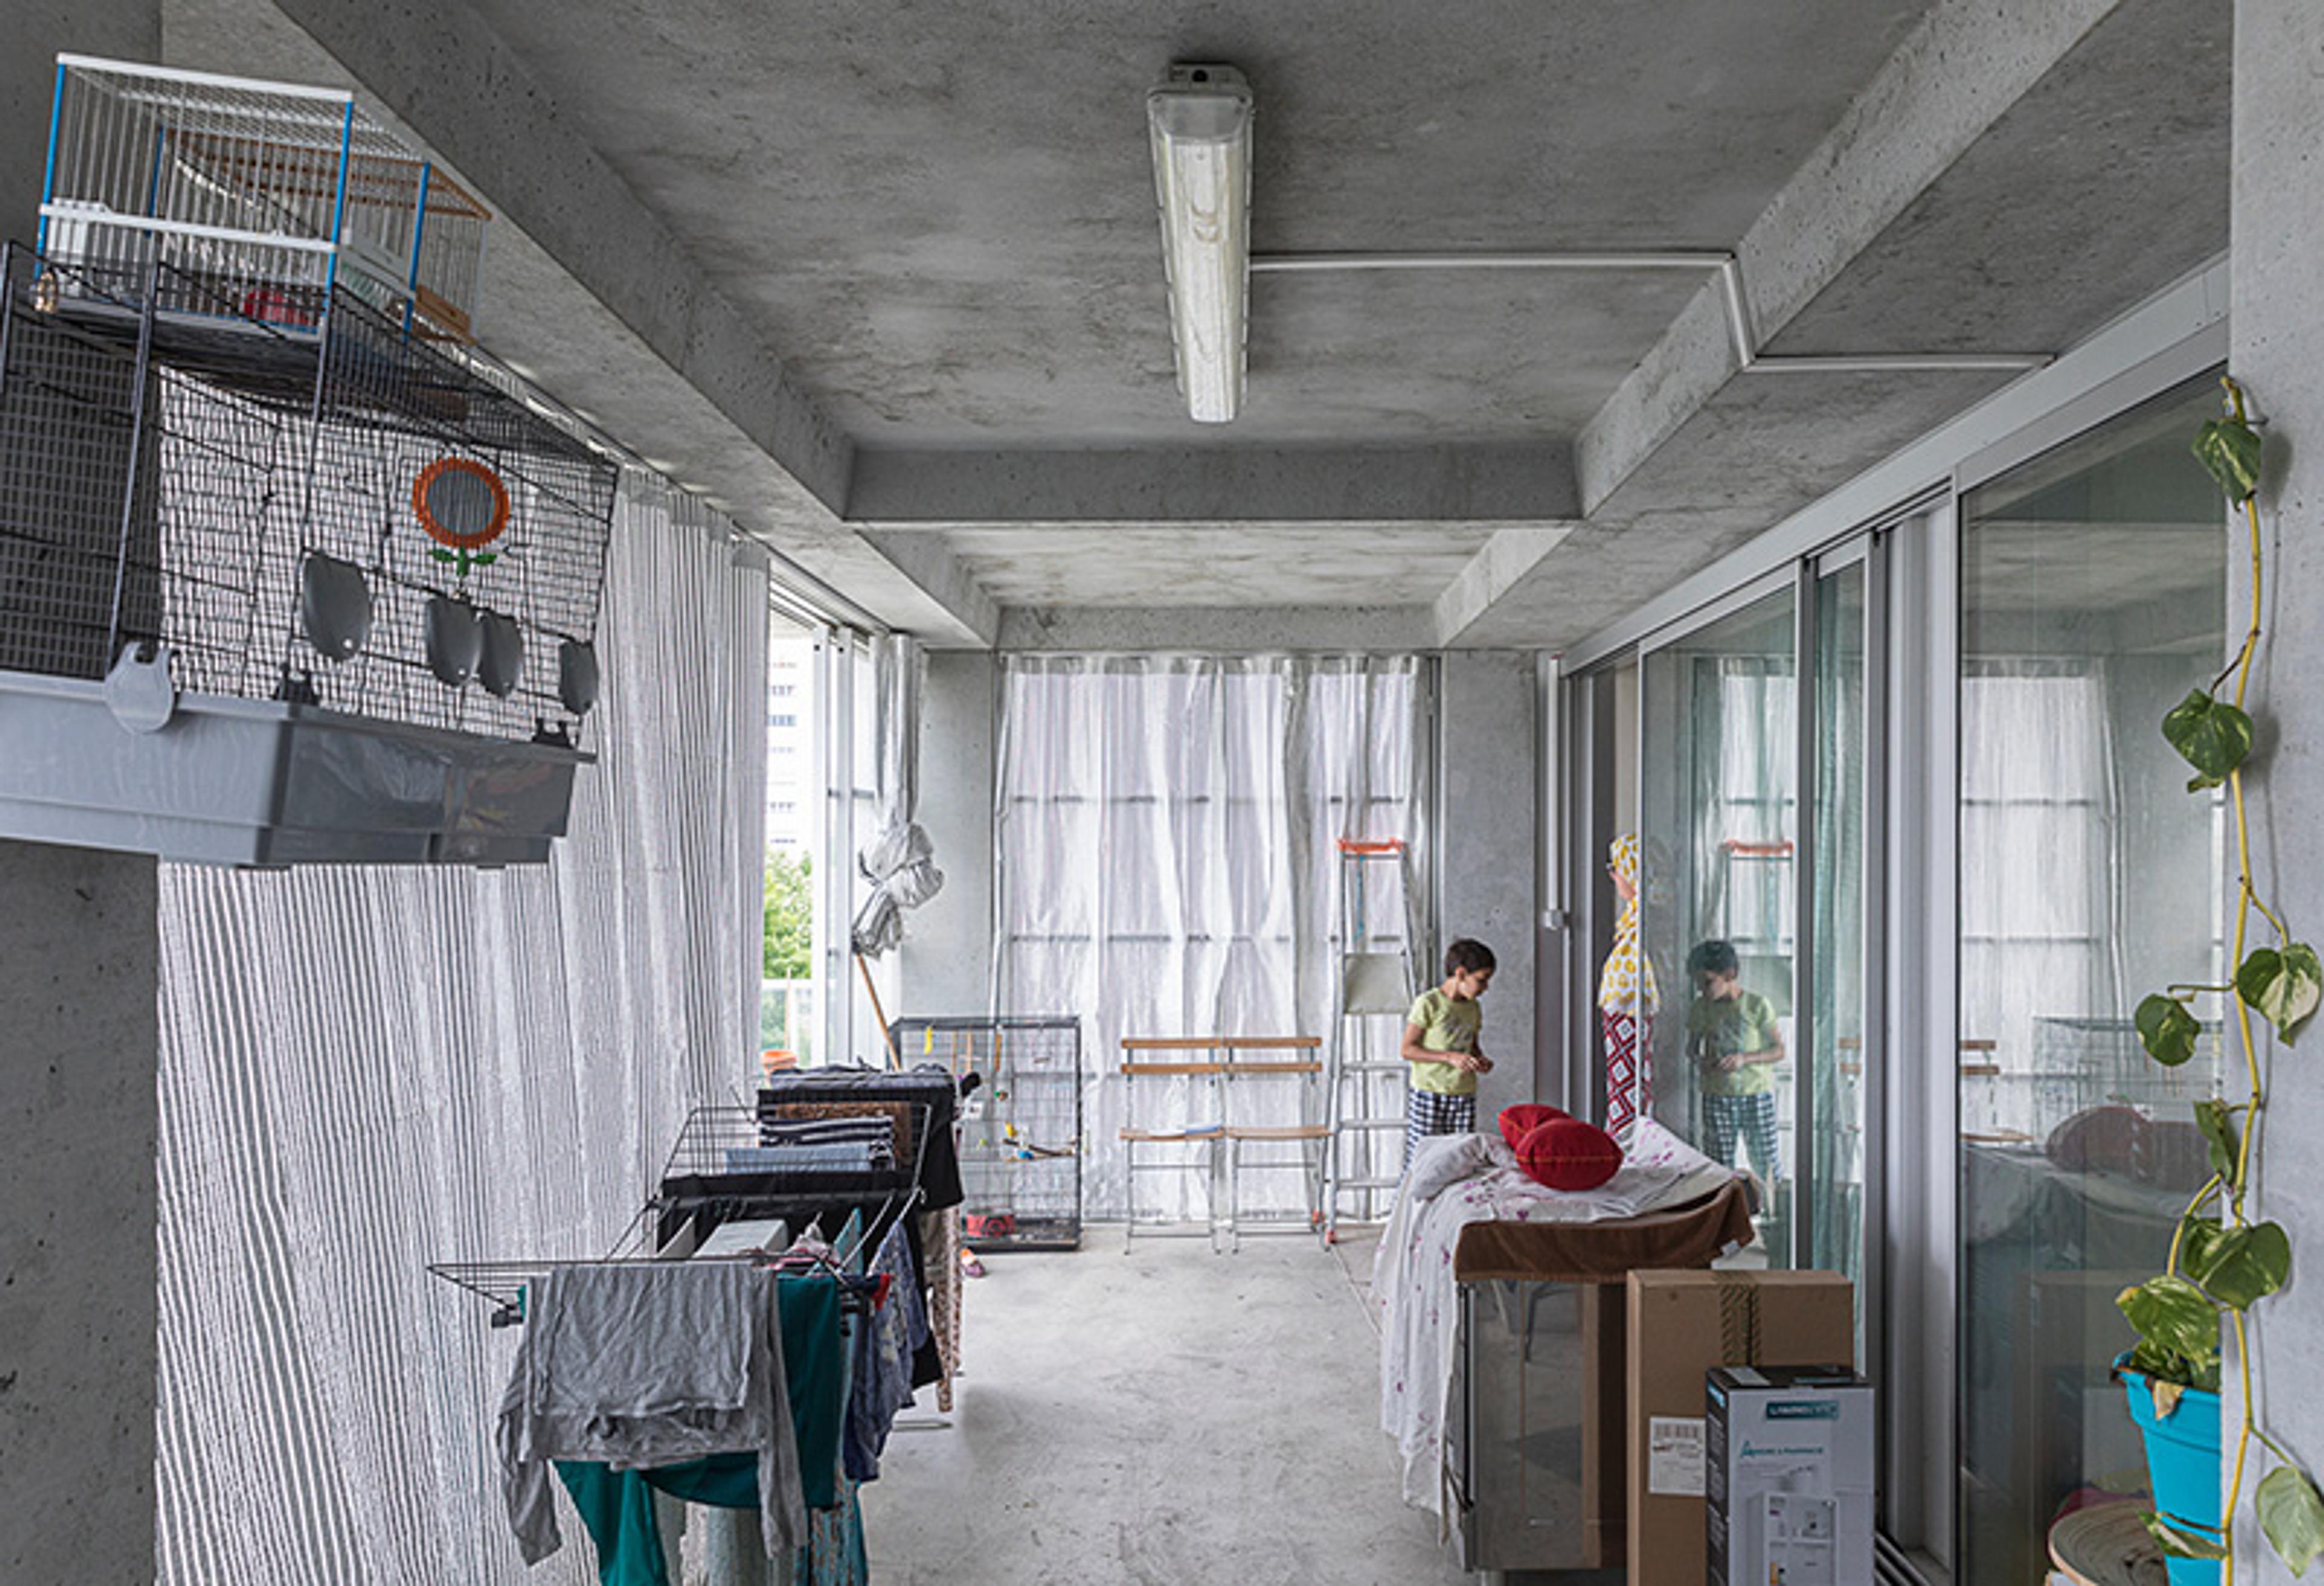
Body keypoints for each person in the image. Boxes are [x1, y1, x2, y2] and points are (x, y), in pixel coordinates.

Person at [1684, 939, 1784, 1178]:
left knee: (1766, 1160)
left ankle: (1769, 1210)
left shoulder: (1756, 1006)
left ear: (1730, 975)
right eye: (1698, 983)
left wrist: (1745, 1059)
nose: (1702, 990)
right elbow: (1691, 1050)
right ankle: (1725, 1210)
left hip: (1755, 1092)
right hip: (1717, 1094)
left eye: (1708, 982)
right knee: (1718, 1163)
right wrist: (1702, 1062)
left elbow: (1779, 1050)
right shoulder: (1700, 1007)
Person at [1401, 939, 1497, 1169]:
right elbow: (1407, 1049)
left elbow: (1471, 1046)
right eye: (1481, 980)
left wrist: (1479, 1060)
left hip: (1463, 1094)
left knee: (1459, 1161)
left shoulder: (1473, 1008)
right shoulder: (1429, 1003)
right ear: (1461, 974)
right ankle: (1410, 1205)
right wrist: (1450, 1057)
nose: (1485, 988)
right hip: (1429, 1092)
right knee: (1423, 1162)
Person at [1597, 833, 1659, 1139]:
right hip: (1625, 1010)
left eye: (1616, 867)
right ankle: (1624, 1140)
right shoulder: (1634, 915)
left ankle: (1627, 1144)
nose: (1612, 876)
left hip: (1631, 1010)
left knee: (1630, 1085)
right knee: (1624, 1082)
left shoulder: (1646, 917)